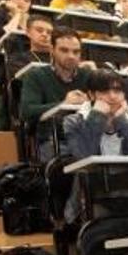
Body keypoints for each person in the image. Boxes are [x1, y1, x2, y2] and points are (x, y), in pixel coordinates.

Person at [19, 26, 90, 161]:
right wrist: (64, 104)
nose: (71, 56)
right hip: (53, 139)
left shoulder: (87, 75)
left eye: (76, 52)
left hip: (86, 136)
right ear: (52, 50)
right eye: (64, 50)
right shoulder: (36, 75)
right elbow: (27, 111)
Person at [63, 69, 128, 158]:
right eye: (104, 91)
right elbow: (82, 157)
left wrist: (122, 121)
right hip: (93, 172)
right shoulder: (73, 122)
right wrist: (97, 116)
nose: (112, 97)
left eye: (117, 91)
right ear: (91, 95)